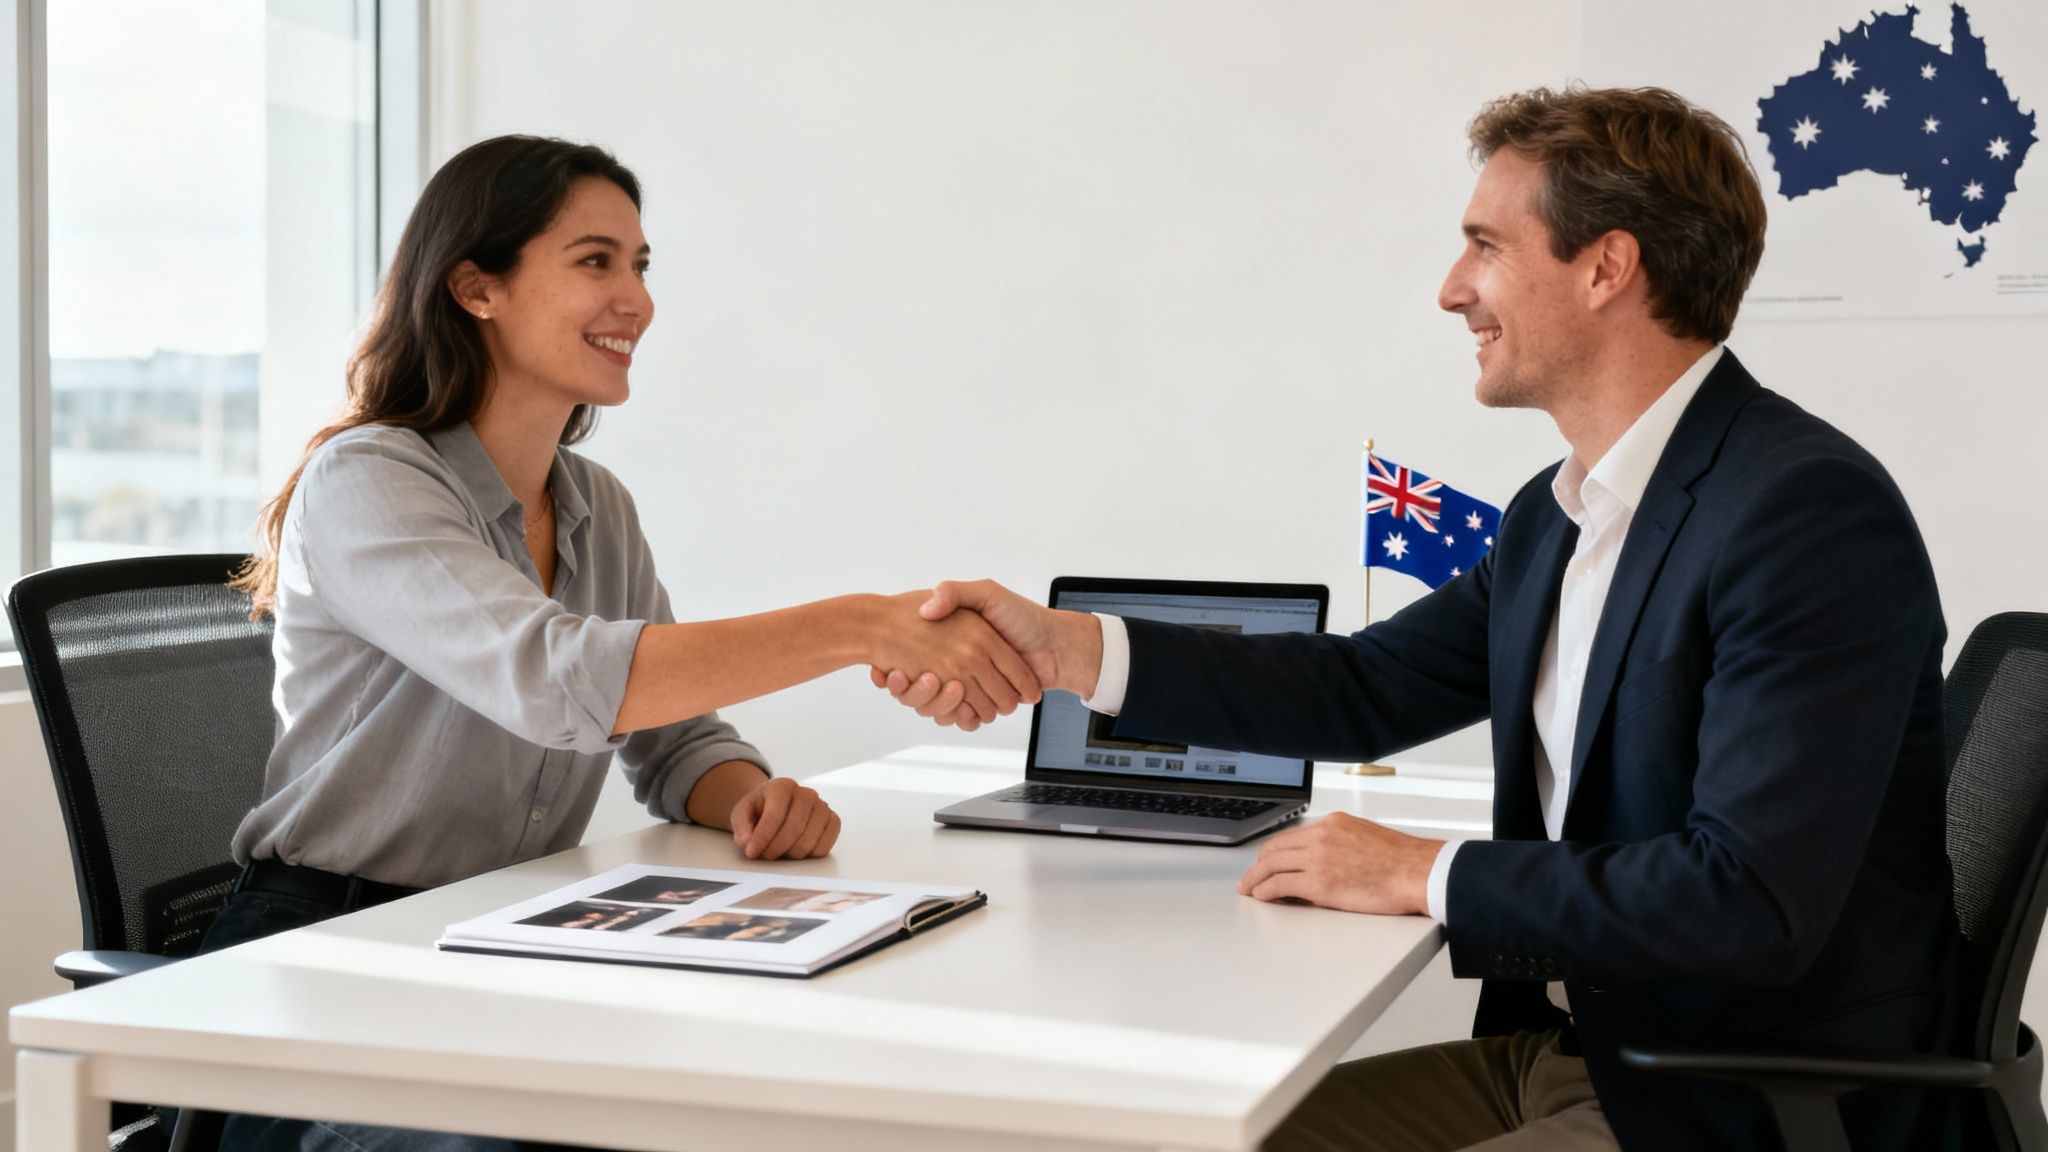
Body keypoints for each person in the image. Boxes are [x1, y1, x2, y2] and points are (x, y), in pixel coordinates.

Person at [878, 86, 1954, 1151]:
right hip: (1583, 1059)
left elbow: (1746, 901)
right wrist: (1070, 648)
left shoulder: (1799, 513)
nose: (1451, 290)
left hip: (1733, 1104)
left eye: (1484, 246)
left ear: (1605, 268)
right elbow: (1361, 688)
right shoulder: (1560, 512)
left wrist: (1420, 870)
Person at [205, 134, 1038, 1152]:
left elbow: (673, 742)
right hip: (324, 958)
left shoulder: (594, 502)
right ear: (477, 287)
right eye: (594, 261)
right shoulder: (369, 479)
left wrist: (747, 798)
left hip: (500, 943)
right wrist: (855, 624)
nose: (635, 299)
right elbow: (554, 682)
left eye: (639, 266)